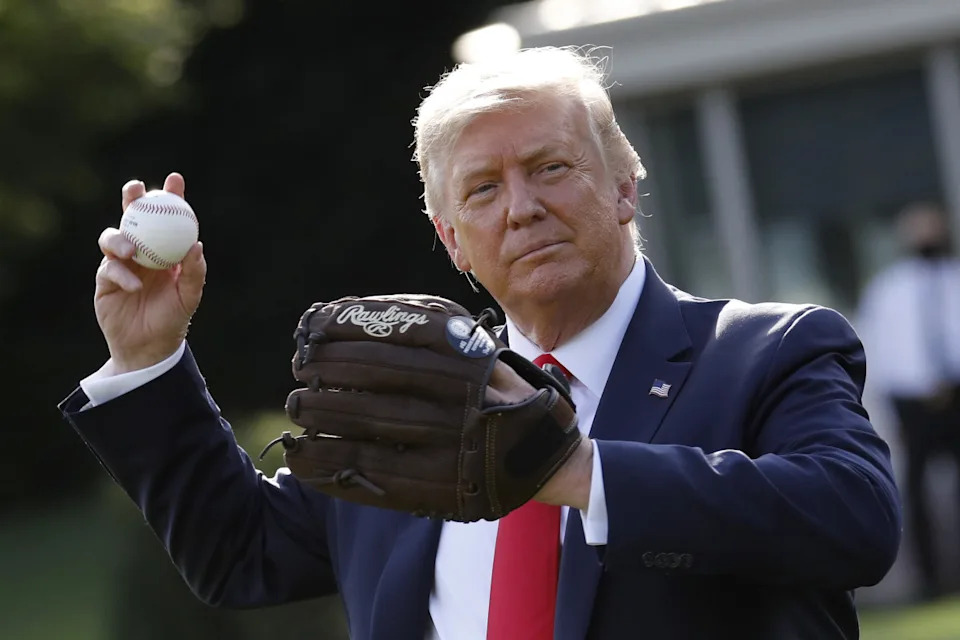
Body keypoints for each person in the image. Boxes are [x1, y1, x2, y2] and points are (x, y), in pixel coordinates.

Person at [60, 47, 901, 639]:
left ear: (624, 189)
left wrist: (578, 472)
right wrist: (148, 360)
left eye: (551, 168)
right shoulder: (416, 398)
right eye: (484, 190)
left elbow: (854, 519)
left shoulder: (768, 351)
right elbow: (239, 553)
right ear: (453, 239)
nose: (522, 207)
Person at [856, 202, 960, 601]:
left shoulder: (954, 279)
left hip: (957, 395)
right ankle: (932, 580)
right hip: (912, 402)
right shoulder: (889, 288)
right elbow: (876, 350)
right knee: (915, 492)